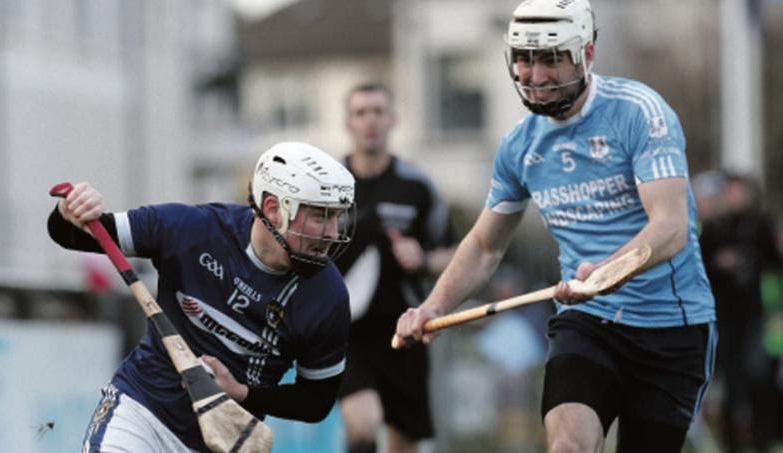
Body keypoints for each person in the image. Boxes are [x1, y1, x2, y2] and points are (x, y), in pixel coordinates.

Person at [394, 1, 717, 452]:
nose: (535, 75)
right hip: (588, 323)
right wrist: (432, 307)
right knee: (566, 448)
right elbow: (485, 246)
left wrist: (600, 274)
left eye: (550, 58)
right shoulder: (519, 146)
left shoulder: (640, 112)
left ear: (586, 54)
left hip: (672, 329)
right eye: (524, 59)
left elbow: (670, 228)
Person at [47, 142, 356, 453]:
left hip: (222, 442)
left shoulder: (327, 298)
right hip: (142, 413)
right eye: (320, 217)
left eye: (337, 218)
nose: (332, 232)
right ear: (274, 210)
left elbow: (316, 401)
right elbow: (72, 233)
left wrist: (242, 393)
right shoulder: (193, 230)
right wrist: (71, 210)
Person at [334, 83, 454, 453]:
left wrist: (423, 259)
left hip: (407, 331)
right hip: (347, 335)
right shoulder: (328, 184)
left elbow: (455, 255)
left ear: (393, 120)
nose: (370, 121)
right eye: (360, 113)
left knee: (406, 442)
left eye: (377, 111)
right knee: (364, 424)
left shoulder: (416, 186)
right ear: (348, 123)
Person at [698, 172, 783, 453]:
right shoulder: (712, 230)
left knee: (758, 377)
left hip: (755, 317)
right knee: (730, 383)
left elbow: (774, 266)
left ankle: (762, 438)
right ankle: (731, 443)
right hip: (722, 318)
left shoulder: (760, 225)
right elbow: (700, 272)